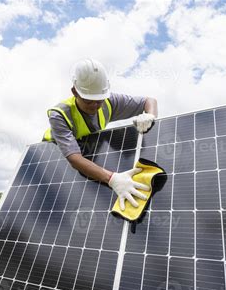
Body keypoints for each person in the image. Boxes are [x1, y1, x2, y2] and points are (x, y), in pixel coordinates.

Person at [43, 58, 158, 209]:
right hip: (53, 157)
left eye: (99, 100)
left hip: (87, 150)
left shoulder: (110, 101)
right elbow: (74, 158)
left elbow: (150, 101)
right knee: (61, 202)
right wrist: (112, 178)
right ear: (74, 92)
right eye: (89, 100)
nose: (95, 106)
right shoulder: (59, 114)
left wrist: (150, 116)